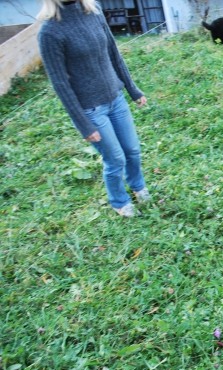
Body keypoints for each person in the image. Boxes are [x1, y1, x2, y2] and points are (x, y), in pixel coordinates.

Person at [38, 0, 151, 218]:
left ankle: (138, 187)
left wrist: (132, 89)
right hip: (91, 109)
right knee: (115, 159)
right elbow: (61, 84)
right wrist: (84, 125)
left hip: (116, 100)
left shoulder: (94, 11)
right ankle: (119, 201)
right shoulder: (50, 32)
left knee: (133, 151)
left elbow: (114, 55)